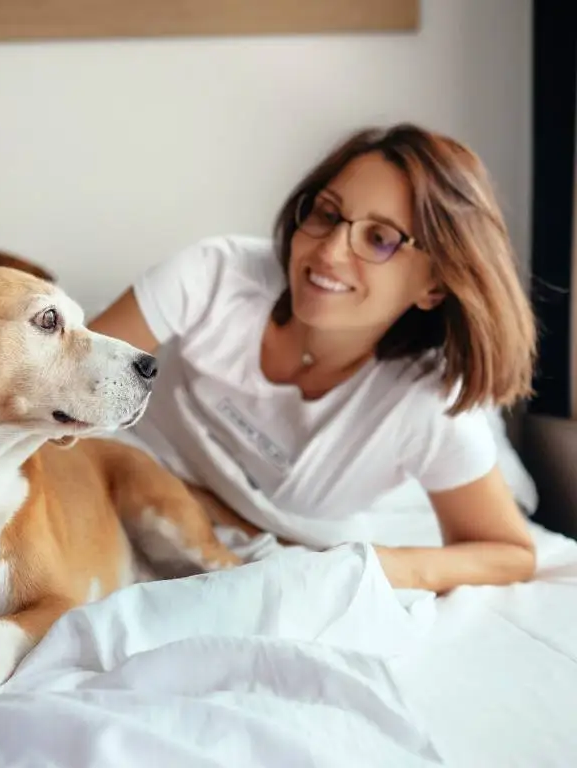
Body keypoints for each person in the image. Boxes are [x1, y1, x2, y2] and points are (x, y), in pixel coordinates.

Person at [89, 123, 538, 594]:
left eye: (380, 238)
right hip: (110, 482)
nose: (328, 251)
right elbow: (66, 387)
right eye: (327, 213)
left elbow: (510, 551)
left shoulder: (427, 405)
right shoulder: (214, 276)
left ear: (434, 285)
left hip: (270, 554)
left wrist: (372, 567)